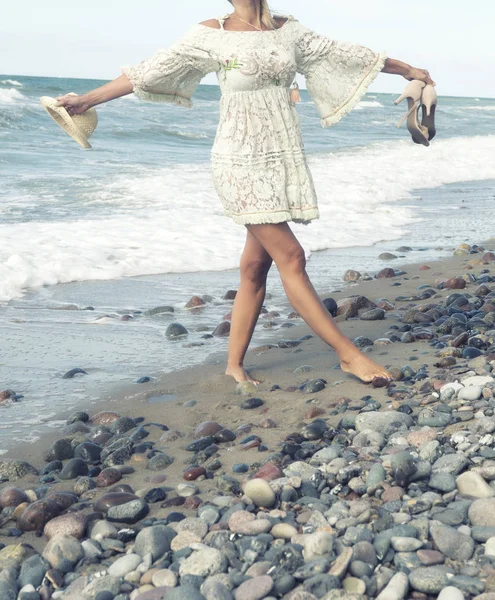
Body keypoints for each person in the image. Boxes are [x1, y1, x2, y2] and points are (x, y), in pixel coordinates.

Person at [55, 0, 435, 387]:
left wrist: (408, 70)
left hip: (280, 155)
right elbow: (149, 73)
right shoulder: (211, 34)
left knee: (255, 267)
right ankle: (348, 355)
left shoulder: (289, 31)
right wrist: (86, 100)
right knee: (292, 255)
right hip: (237, 159)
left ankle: (233, 365)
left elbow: (348, 54)